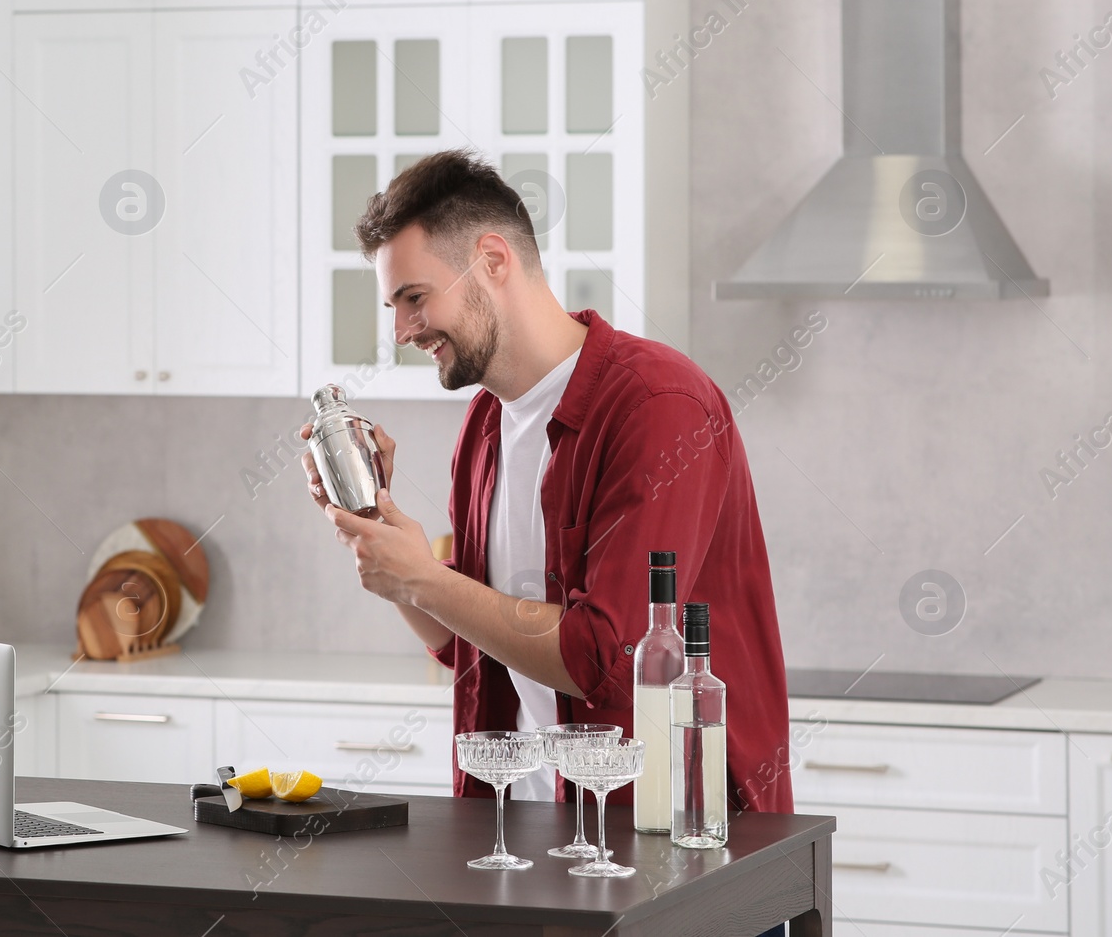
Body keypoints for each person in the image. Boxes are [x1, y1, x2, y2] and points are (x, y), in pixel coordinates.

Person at [301, 150, 793, 816]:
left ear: (493, 260)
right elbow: (467, 644)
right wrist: (379, 534)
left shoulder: (659, 406)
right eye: (394, 306)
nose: (401, 331)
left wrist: (424, 576)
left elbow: (604, 659)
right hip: (531, 827)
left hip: (677, 837)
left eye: (414, 297)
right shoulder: (484, 427)